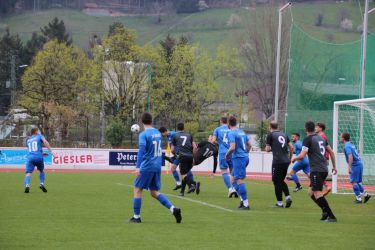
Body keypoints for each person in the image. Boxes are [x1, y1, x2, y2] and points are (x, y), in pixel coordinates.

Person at [129, 113, 181, 223]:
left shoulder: (143, 135)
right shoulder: (158, 133)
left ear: (142, 121)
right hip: (157, 165)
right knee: (154, 192)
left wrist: (138, 167)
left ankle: (136, 217)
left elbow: (142, 150)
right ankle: (173, 209)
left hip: (147, 165)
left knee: (137, 189)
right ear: (151, 121)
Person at [292, 121, 337, 222]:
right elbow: (331, 151)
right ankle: (325, 212)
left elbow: (302, 155)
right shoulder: (321, 138)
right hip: (323, 168)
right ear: (314, 128)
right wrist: (334, 166)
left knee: (317, 193)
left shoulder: (308, 139)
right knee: (310, 192)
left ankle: (331, 216)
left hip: (317, 169)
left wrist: (295, 159)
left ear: (305, 129)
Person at [225, 116, 252, 210]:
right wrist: (245, 154)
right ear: (236, 123)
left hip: (239, 159)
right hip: (243, 158)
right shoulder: (242, 132)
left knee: (239, 180)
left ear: (228, 123)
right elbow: (250, 145)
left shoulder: (231, 133)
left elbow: (232, 147)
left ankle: (246, 204)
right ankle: (242, 199)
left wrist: (227, 155)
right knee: (232, 180)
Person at [266, 122, 294, 208]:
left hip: (277, 161)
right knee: (281, 180)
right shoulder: (284, 134)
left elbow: (267, 149)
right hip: (286, 161)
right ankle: (288, 197)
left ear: (270, 127)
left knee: (276, 181)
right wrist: (290, 158)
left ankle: (279, 203)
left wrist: (271, 148)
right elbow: (291, 147)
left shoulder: (270, 135)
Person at [340, 132, 371, 204]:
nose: (340, 138)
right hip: (359, 164)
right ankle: (366, 195)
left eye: (341, 137)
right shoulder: (351, 145)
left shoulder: (347, 146)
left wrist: (349, 167)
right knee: (358, 182)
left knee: (353, 182)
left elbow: (350, 157)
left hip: (355, 165)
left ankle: (359, 199)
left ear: (343, 138)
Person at [171, 122, 199, 196]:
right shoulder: (189, 135)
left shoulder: (175, 135)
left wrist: (176, 155)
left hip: (182, 156)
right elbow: (195, 147)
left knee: (183, 174)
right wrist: (193, 156)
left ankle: (194, 183)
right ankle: (182, 192)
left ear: (177, 128)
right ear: (184, 128)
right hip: (190, 156)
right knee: (185, 174)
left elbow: (172, 150)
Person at [24, 127, 55, 193]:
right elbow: (45, 142)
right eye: (38, 130)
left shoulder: (28, 140)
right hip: (38, 157)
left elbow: (31, 150)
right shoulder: (39, 136)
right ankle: (41, 184)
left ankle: (27, 185)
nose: (39, 132)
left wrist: (41, 153)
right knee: (41, 171)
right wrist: (51, 151)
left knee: (28, 173)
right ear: (36, 132)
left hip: (30, 158)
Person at [212, 117, 237, 198]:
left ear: (221, 121)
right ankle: (236, 188)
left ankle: (230, 189)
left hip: (223, 153)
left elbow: (213, 141)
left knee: (224, 171)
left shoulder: (217, 129)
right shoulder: (232, 129)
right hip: (232, 152)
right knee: (233, 171)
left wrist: (217, 142)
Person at [315, 122, 332, 196]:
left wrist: (327, 158)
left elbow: (327, 149)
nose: (315, 128)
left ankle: (326, 186)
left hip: (321, 158)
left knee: (316, 173)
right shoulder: (322, 136)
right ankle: (325, 186)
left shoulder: (321, 137)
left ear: (320, 128)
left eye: (317, 127)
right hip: (322, 158)